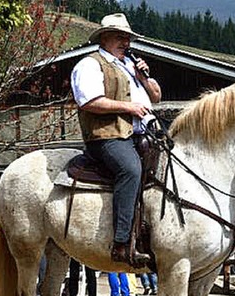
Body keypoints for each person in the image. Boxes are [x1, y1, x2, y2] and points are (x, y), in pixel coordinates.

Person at [71, 13, 162, 267]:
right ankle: (121, 243)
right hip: (106, 137)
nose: (126, 42)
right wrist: (128, 107)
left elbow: (156, 96)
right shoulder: (90, 64)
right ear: (105, 37)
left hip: (140, 134)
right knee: (130, 170)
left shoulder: (130, 65)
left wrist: (143, 76)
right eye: (121, 37)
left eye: (128, 38)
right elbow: (89, 101)